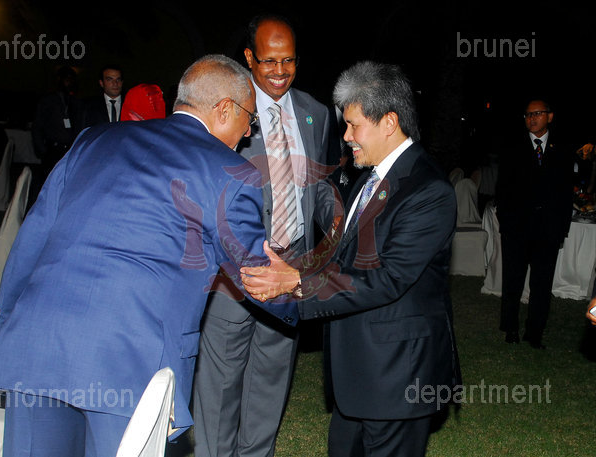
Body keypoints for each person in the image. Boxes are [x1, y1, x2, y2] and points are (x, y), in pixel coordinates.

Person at [0, 54, 298, 457]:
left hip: (37, 347)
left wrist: (6, 324)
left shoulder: (93, 139)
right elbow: (258, 277)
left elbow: (32, 239)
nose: (248, 132)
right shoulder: (230, 172)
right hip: (129, 364)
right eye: (249, 119)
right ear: (224, 109)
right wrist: (302, 291)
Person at [241, 61, 461, 457]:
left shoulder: (428, 191)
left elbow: (387, 279)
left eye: (353, 125)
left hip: (398, 377)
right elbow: (346, 259)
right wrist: (295, 269)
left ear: (389, 122)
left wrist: (297, 285)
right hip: (360, 374)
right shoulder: (370, 177)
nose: (345, 137)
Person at [193, 14, 340, 457]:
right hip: (234, 268)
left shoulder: (315, 113)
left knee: (271, 380)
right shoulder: (227, 110)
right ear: (249, 58)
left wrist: (338, 218)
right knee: (220, 384)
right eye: (269, 61)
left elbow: (317, 183)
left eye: (288, 61)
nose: (280, 71)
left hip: (291, 266)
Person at [496, 99, 573, 349]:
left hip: (548, 231)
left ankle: (535, 332)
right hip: (516, 230)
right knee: (513, 281)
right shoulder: (513, 148)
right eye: (528, 114)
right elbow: (502, 189)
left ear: (549, 116)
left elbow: (566, 192)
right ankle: (510, 327)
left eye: (538, 113)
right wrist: (506, 222)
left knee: (541, 284)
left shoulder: (562, 149)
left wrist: (561, 228)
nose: (532, 118)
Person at [31, 65, 84, 178]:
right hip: (52, 150)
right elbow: (37, 127)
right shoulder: (47, 101)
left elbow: (81, 125)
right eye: (67, 79)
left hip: (71, 150)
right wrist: (43, 151)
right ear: (60, 80)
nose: (70, 83)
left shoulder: (76, 102)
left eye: (72, 79)